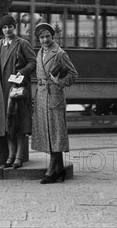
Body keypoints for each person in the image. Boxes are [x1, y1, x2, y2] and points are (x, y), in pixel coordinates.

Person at [31, 22, 78, 184]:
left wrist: (59, 81)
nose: (44, 40)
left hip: (54, 96)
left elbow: (73, 74)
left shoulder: (59, 53)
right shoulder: (39, 52)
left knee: (55, 133)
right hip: (42, 97)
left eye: (47, 36)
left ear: (53, 36)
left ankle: (52, 170)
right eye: (41, 37)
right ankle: (59, 169)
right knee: (48, 133)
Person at [0, 15, 36, 169]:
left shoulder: (22, 43)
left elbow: (32, 62)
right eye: (4, 27)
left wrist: (21, 73)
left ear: (14, 27)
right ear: (1, 30)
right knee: (7, 125)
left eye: (9, 26)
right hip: (1, 92)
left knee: (19, 125)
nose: (7, 30)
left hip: (16, 91)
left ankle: (18, 157)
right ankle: (10, 155)